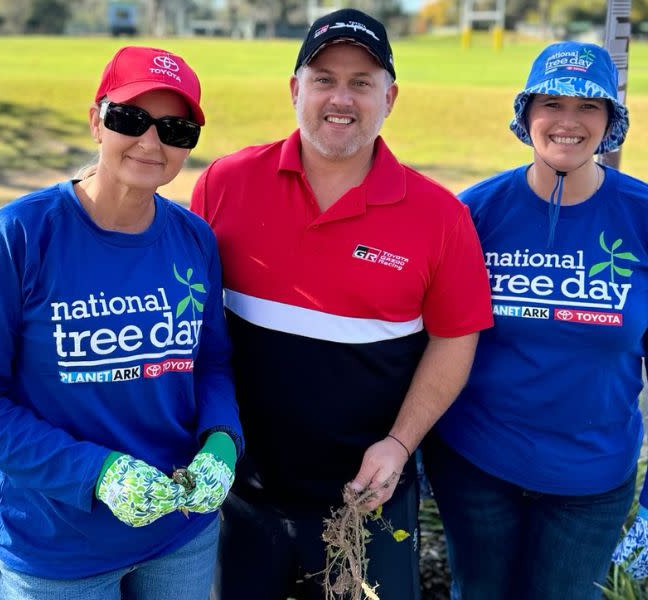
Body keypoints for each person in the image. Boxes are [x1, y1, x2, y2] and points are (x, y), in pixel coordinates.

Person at [192, 9, 493, 599]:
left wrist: (400, 443)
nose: (342, 98)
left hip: (369, 500)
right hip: (241, 495)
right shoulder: (224, 183)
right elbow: (195, 327)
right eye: (325, 78)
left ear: (391, 96)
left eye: (362, 82)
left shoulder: (440, 216)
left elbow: (456, 337)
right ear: (295, 89)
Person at [0, 46, 238, 599]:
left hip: (181, 536)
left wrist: (222, 440)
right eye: (130, 119)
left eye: (175, 129)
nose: (152, 143)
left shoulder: (195, 239)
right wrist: (96, 473)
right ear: (96, 121)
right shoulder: (19, 237)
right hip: (58, 545)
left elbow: (211, 361)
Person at [441, 42, 648, 597]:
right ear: (526, 114)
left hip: (593, 479)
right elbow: (431, 340)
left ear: (610, 121)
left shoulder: (641, 215)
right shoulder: (473, 212)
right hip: (478, 465)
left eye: (589, 106)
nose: (568, 121)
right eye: (552, 102)